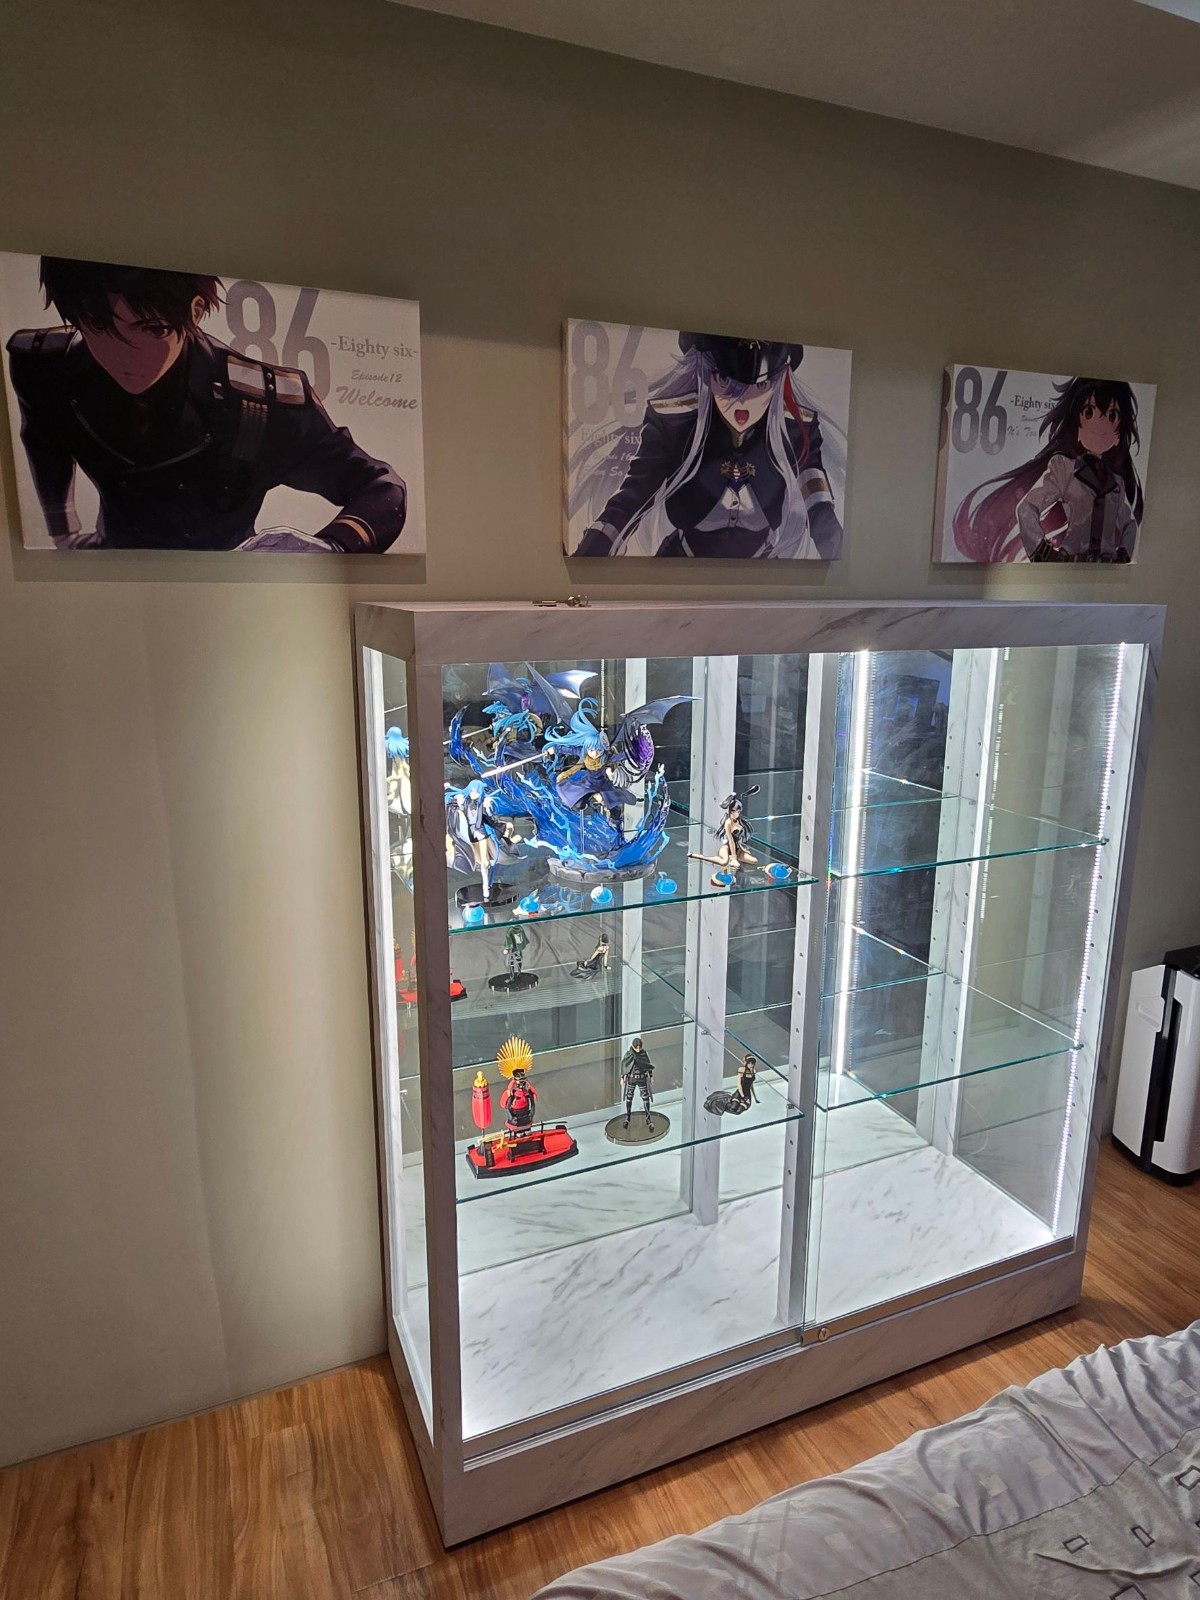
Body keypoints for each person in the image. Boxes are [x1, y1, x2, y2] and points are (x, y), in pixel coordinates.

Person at [5, 256, 407, 551]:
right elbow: (43, 440)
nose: (127, 355)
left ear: (195, 312)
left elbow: (381, 487)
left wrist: (332, 547)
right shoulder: (46, 367)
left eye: (153, 329)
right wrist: (63, 532)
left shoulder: (259, 404)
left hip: (230, 593)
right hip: (109, 574)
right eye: (99, 327)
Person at [573, 333, 842, 559]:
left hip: (762, 566)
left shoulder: (796, 429)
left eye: (762, 386)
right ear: (704, 374)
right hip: (681, 560)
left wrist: (840, 558)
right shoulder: (675, 423)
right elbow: (635, 496)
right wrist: (591, 553)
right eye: (724, 381)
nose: (743, 403)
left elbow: (818, 505)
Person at [952, 378, 1144, 564]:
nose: (1100, 425)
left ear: (1119, 435)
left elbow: (1129, 525)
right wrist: (1042, 552)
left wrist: (1123, 555)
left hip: (1107, 576)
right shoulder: (1064, 469)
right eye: (1089, 412)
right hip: (1070, 568)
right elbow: (1026, 508)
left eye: (1112, 416)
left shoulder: (1116, 483)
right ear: (1076, 424)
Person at [620, 1037, 656, 1130]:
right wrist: (622, 1078)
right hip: (631, 1079)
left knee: (646, 1098)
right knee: (629, 1097)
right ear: (633, 1046)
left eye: (639, 1047)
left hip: (642, 1079)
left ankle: (648, 1118)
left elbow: (647, 1065)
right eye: (636, 1047)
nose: (638, 1049)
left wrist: (651, 1076)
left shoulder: (643, 1054)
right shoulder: (629, 1054)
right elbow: (624, 1066)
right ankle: (628, 1117)